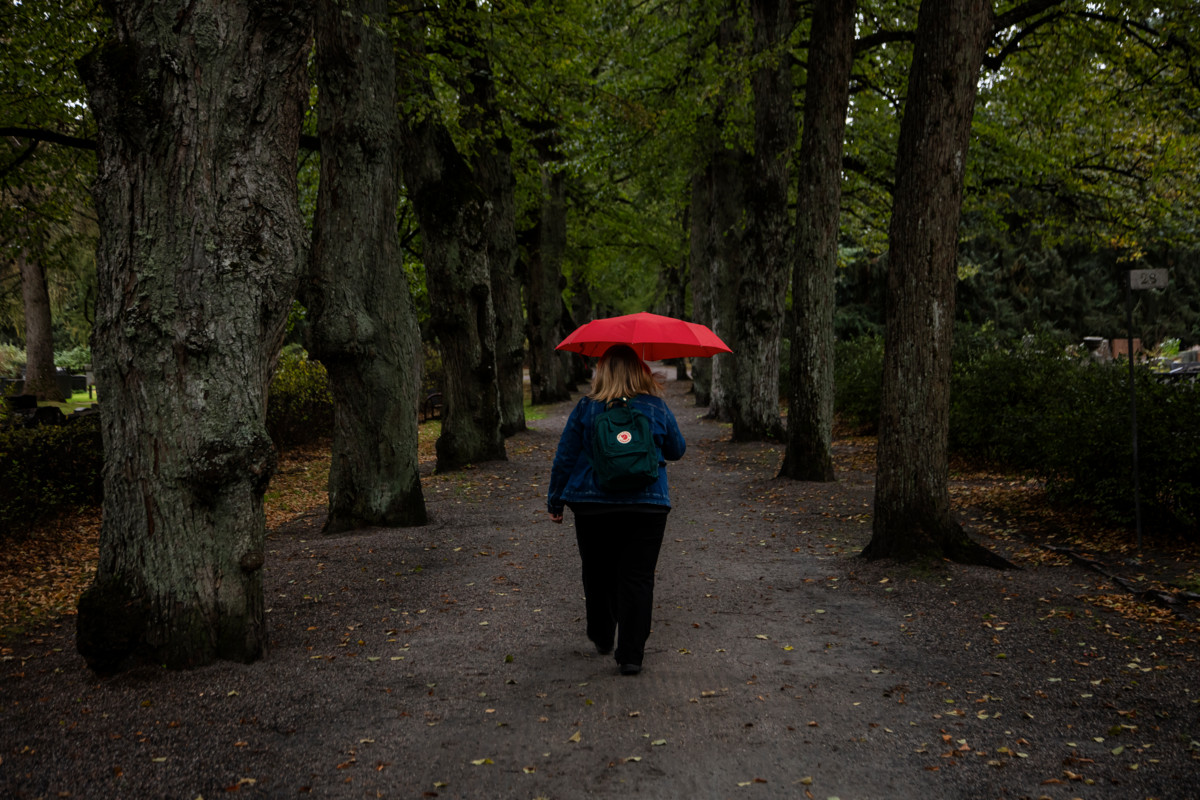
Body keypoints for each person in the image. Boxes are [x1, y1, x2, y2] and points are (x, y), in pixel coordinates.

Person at [547, 344, 686, 675]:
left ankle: (601, 634)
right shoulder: (655, 406)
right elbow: (677, 449)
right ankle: (631, 655)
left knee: (597, 572)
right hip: (647, 505)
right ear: (640, 371)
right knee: (638, 577)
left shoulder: (586, 407)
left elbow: (565, 456)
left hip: (592, 505)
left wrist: (555, 500)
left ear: (602, 372)